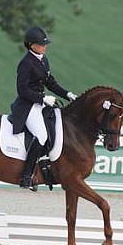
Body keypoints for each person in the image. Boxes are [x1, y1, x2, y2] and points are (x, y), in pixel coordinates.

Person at [9, 26, 77, 189]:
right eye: (41, 44)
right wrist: (42, 97)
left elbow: (50, 82)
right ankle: (26, 176)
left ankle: (43, 166)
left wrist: (67, 94)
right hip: (28, 105)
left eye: (45, 44)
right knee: (40, 135)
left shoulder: (43, 59)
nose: (44, 47)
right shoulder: (25, 63)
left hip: (41, 103)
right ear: (31, 45)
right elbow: (22, 89)